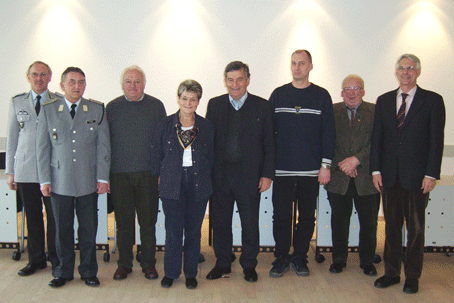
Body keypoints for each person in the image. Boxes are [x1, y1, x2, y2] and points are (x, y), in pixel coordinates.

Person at [371, 54, 445, 294]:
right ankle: (391, 273)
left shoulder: (432, 101)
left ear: (418, 72)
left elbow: (436, 141)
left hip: (417, 178)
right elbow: (377, 140)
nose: (406, 72)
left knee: (415, 228)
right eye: (402, 68)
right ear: (396, 72)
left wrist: (431, 174)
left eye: (411, 68)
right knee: (391, 227)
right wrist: (375, 170)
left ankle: (412, 276)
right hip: (389, 176)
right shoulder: (383, 101)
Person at [36, 67, 111, 288]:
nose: (76, 86)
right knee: (61, 230)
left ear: (85, 85)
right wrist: (44, 180)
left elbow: (103, 147)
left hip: (88, 181)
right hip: (59, 181)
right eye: (71, 82)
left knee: (88, 229)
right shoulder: (49, 110)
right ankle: (62, 271)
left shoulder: (96, 109)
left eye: (80, 82)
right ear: (62, 85)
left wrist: (103, 178)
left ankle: (88, 271)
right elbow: (43, 148)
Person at [205, 61, 275, 282]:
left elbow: (270, 144)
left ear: (248, 80)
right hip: (221, 176)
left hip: (249, 177)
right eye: (230, 79)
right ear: (225, 81)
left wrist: (267, 174)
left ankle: (249, 264)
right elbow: (208, 142)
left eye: (240, 79)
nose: (235, 84)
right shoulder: (214, 105)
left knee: (249, 223)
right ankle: (223, 262)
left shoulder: (262, 106)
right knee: (220, 222)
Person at [269, 49, 335, 278]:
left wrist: (325, 165)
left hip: (311, 171)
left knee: (307, 216)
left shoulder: (321, 96)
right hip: (282, 170)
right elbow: (269, 134)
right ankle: (281, 257)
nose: (297, 67)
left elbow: (329, 133)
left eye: (302, 63)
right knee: (281, 216)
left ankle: (299, 257)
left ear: (310, 66)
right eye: (293, 63)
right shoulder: (278, 95)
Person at [151, 79, 214, 289]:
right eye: (184, 98)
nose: (188, 102)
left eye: (193, 99)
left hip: (199, 183)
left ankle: (190, 273)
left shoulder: (205, 126)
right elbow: (156, 155)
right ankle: (171, 272)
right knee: (173, 230)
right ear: (178, 99)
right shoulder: (165, 125)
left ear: (198, 102)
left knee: (194, 231)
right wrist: (158, 177)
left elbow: (212, 157)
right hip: (171, 183)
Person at [106, 65, 166, 281]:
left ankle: (148, 263)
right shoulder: (112, 108)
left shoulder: (156, 106)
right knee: (123, 223)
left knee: (148, 222)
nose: (133, 85)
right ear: (122, 84)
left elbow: (163, 142)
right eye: (128, 81)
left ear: (144, 84)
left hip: (148, 174)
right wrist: (107, 175)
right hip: (120, 174)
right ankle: (124, 264)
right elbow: (105, 144)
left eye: (137, 81)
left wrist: (160, 171)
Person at [5, 61, 59, 276]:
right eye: (35, 74)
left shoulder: (58, 101)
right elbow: (12, 138)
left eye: (43, 74)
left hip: (53, 170)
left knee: (54, 217)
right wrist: (11, 171)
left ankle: (56, 259)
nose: (39, 78)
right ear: (28, 77)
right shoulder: (18, 102)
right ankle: (36, 260)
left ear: (50, 77)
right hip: (26, 169)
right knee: (33, 216)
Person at [324, 74, 380, 276]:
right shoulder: (332, 111)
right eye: (347, 88)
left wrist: (356, 160)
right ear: (341, 92)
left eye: (356, 88)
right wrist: (345, 164)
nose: (351, 93)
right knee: (339, 221)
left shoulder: (375, 111)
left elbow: (379, 142)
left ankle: (367, 261)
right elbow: (327, 140)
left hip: (368, 178)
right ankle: (338, 259)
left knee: (369, 223)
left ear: (363, 92)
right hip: (339, 177)